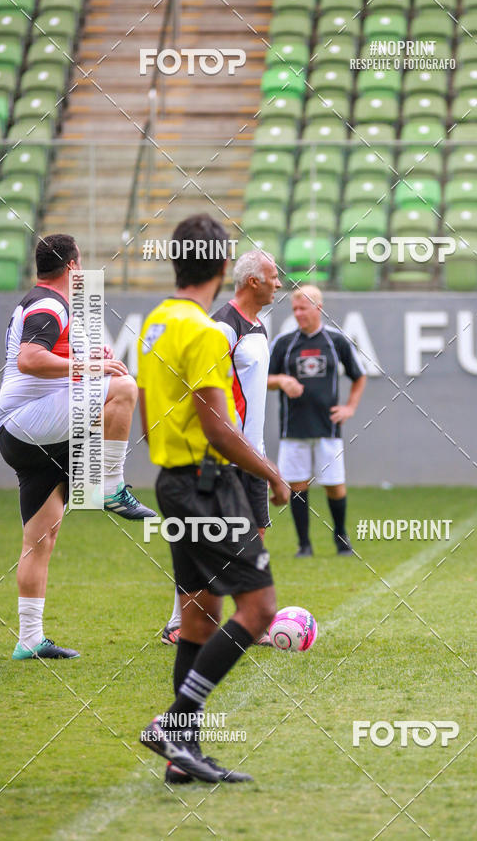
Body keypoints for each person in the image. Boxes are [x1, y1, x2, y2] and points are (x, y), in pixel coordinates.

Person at [137, 214, 289, 784]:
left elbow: (150, 417)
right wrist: (272, 475)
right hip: (210, 483)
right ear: (225, 267)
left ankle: (183, 759)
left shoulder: (155, 321)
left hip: (172, 482)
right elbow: (219, 428)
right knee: (260, 608)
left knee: (200, 618)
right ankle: (174, 724)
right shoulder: (204, 330)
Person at [0, 234, 155, 661]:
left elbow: (51, 358)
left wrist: (87, 355)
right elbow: (31, 358)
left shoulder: (47, 303)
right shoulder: (50, 303)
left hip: (27, 434)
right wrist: (91, 364)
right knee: (123, 386)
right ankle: (108, 484)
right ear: (72, 266)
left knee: (40, 539)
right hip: (30, 422)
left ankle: (30, 639)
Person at [161, 248, 282, 647]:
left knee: (254, 535)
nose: (279, 283)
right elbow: (205, 393)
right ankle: (178, 623)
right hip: (226, 455)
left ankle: (250, 621)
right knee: (209, 539)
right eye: (274, 277)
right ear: (253, 281)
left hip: (253, 454)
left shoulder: (258, 327)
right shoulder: (222, 328)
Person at [268, 285, 367, 557]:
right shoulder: (284, 343)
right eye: (295, 309)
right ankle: (304, 545)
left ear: (318, 307)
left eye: (303, 308)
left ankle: (341, 537)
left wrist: (349, 408)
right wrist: (281, 380)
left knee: (334, 484)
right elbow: (264, 379)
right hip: (293, 427)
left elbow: (359, 376)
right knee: (298, 485)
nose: (298, 314)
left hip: (327, 427)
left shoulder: (336, 341)